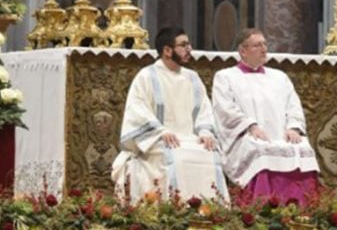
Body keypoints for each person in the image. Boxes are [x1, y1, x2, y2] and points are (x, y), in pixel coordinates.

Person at [111, 27, 228, 203]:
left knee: (210, 153)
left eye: (189, 44)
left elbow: (204, 110)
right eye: (183, 45)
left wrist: (205, 132)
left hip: (189, 139)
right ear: (167, 51)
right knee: (177, 157)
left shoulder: (193, 78)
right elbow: (137, 110)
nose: (189, 49)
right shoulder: (147, 76)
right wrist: (160, 131)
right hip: (156, 141)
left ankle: (209, 213)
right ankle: (176, 212)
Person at [212, 28, 319, 205]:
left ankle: (304, 212)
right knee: (260, 153)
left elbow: (293, 105)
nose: (263, 49)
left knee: (303, 150)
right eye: (257, 45)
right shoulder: (225, 77)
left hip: (282, 136)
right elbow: (225, 109)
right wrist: (251, 126)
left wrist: (293, 127)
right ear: (242, 51)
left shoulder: (279, 77)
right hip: (246, 135)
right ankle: (262, 211)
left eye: (264, 44)